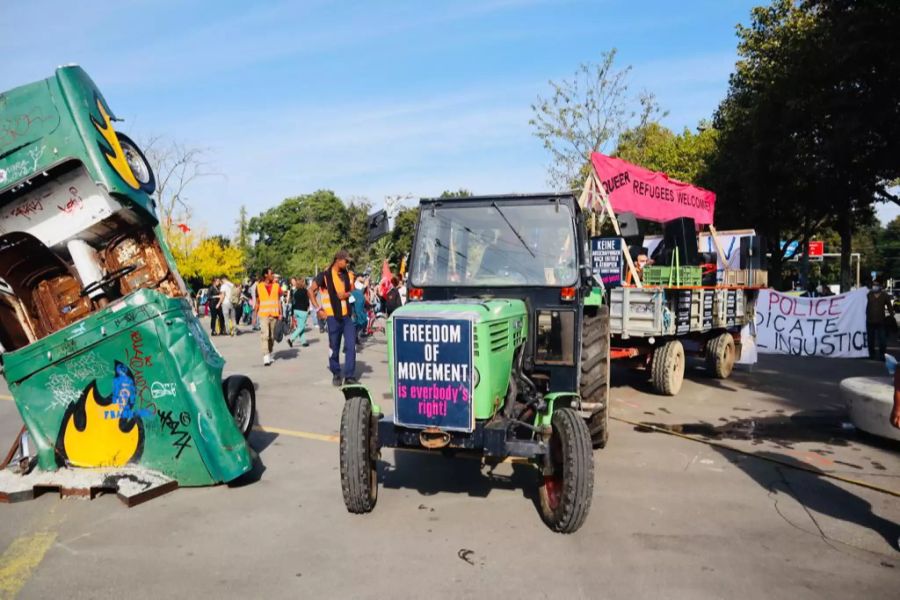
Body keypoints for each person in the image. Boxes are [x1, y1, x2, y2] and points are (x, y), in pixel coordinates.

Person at [309, 249, 357, 386]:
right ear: (338, 260)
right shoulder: (324, 276)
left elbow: (352, 290)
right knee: (334, 347)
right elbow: (310, 291)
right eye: (346, 261)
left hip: (347, 317)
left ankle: (349, 376)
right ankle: (336, 373)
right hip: (332, 318)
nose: (347, 264)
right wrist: (318, 309)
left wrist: (346, 295)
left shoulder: (348, 275)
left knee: (351, 345)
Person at [254, 267, 282, 366]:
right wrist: (254, 315)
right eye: (271, 273)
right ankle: (265, 356)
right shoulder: (259, 286)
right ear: (266, 275)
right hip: (263, 315)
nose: (273, 275)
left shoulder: (276, 286)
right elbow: (257, 301)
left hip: (274, 314)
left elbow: (279, 301)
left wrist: (281, 314)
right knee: (265, 335)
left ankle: (269, 353)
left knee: (272, 337)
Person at [866, 280, 895, 360]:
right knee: (870, 340)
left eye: (876, 285)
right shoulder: (869, 295)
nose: (874, 286)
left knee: (882, 340)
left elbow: (889, 306)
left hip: (881, 321)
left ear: (880, 286)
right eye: (873, 285)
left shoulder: (884, 295)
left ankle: (882, 355)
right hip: (870, 320)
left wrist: (892, 316)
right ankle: (871, 354)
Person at [287, 277, 310, 348]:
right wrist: (308, 308)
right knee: (301, 327)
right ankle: (291, 339)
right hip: (302, 310)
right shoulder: (305, 291)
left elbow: (293, 301)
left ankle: (303, 342)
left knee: (300, 326)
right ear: (303, 283)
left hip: (296, 310)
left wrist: (292, 311)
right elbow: (306, 302)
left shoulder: (296, 292)